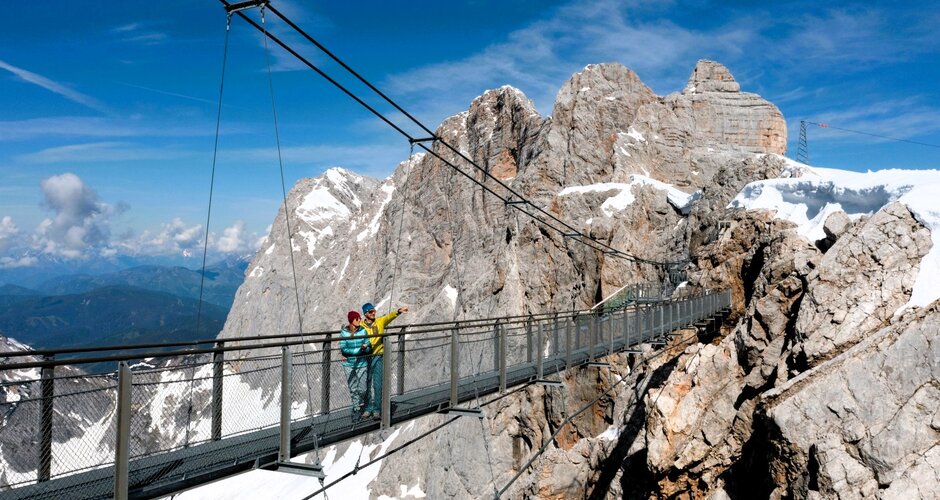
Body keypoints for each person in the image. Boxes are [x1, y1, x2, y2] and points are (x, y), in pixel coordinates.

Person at [360, 302, 408, 417]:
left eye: (374, 311)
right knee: (365, 385)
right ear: (365, 314)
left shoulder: (380, 322)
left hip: (378, 356)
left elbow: (388, 317)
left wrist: (398, 312)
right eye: (371, 312)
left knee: (377, 385)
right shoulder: (360, 326)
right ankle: (368, 408)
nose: (373, 313)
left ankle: (376, 409)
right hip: (365, 358)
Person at [338, 310, 371, 422]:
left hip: (362, 363)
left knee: (363, 389)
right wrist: (359, 350)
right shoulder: (344, 333)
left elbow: (368, 346)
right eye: (357, 319)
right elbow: (343, 349)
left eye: (359, 319)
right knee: (353, 388)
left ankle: (357, 406)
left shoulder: (363, 331)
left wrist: (365, 348)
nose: (359, 320)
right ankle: (356, 409)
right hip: (349, 364)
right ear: (352, 320)